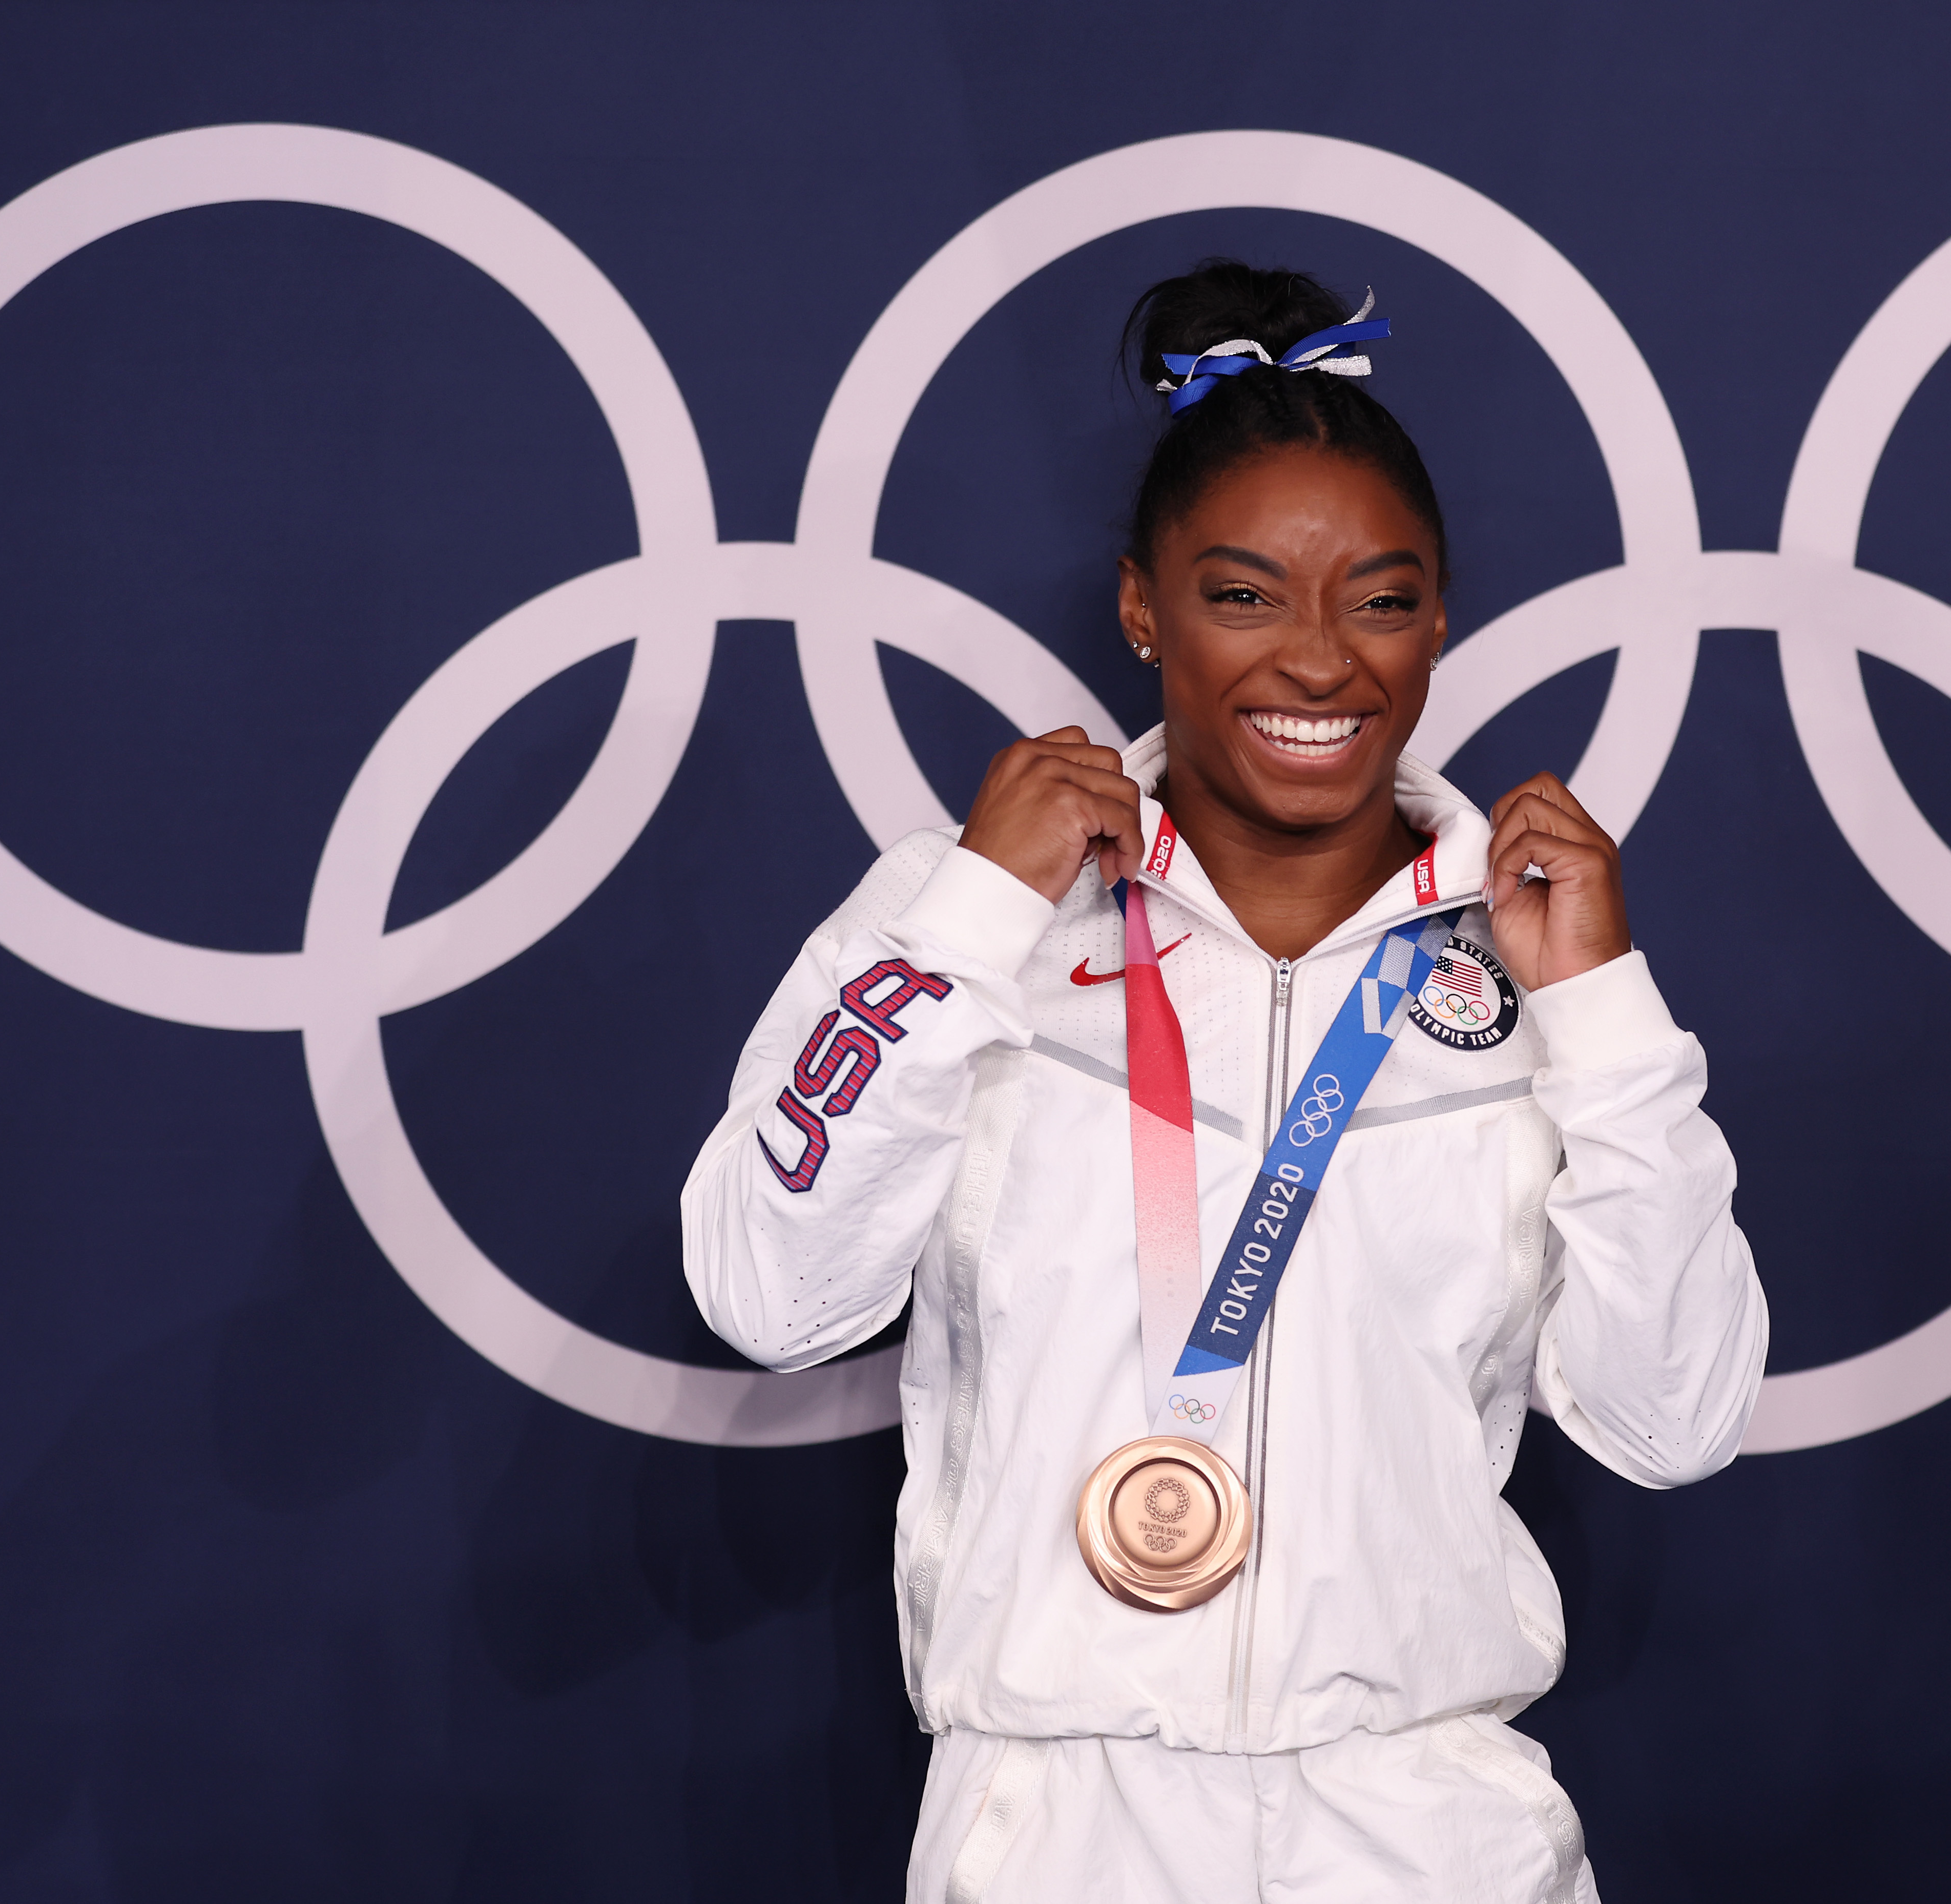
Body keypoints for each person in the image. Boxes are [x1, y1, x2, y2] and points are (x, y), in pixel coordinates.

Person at [681, 260, 1767, 1904]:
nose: (1320, 662)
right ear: (1141, 608)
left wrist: (1607, 1016)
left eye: (1382, 599)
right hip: (1055, 1831)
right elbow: (767, 1289)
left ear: (1440, 617)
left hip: (1428, 1833)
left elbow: (1671, 1420)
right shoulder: (967, 914)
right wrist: (974, 910)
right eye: (1244, 594)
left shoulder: (1541, 956)